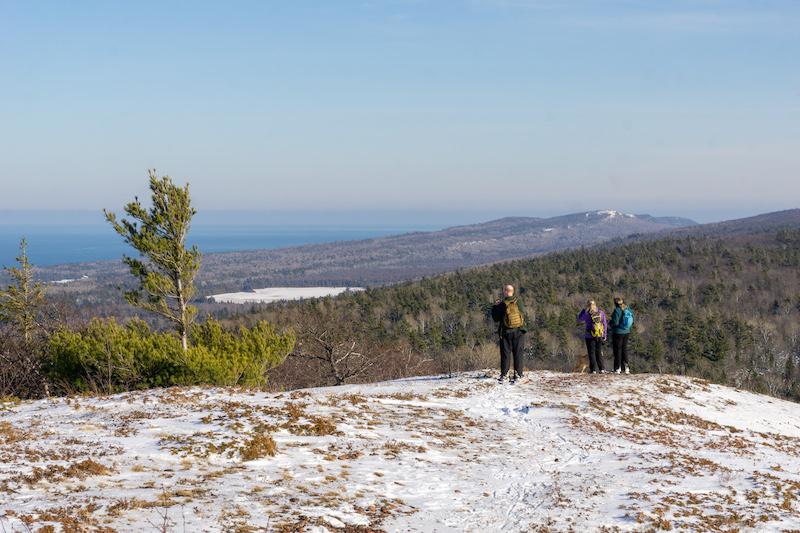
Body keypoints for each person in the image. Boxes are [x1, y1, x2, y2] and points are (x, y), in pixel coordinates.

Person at [491, 284, 527, 383]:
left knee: (505, 354)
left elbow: (496, 318)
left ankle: (505, 374)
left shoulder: (502, 304)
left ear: (505, 292)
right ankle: (518, 374)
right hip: (519, 331)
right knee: (518, 353)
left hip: (505, 332)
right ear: (513, 291)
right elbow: (523, 312)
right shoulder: (518, 301)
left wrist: (495, 307)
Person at [577, 299, 607, 374]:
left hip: (589, 335)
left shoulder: (587, 314)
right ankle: (602, 369)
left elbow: (579, 319)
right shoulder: (601, 313)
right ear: (595, 304)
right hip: (599, 335)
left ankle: (593, 369)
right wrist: (604, 334)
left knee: (591, 353)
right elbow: (604, 324)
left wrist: (584, 309)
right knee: (598, 352)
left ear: (588, 305)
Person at [609, 296, 634, 374]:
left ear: (615, 303)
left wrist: (610, 322)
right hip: (627, 332)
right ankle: (626, 368)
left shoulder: (617, 310)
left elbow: (615, 323)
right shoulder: (628, 309)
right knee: (624, 349)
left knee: (618, 350)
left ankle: (618, 368)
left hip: (618, 332)